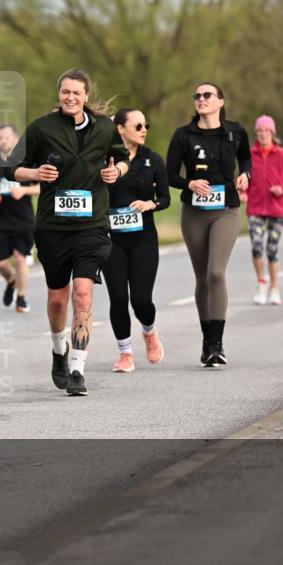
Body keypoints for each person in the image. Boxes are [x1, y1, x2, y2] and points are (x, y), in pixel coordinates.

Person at [9, 68, 129, 396]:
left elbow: (123, 157)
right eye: (65, 92)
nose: (70, 97)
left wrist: (116, 170)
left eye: (76, 92)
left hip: (92, 225)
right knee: (58, 299)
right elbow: (9, 168)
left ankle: (77, 367)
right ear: (59, 94)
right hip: (53, 227)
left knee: (83, 293)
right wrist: (35, 172)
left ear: (86, 96)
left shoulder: (105, 129)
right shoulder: (41, 128)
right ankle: (58, 348)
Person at [166, 82, 252, 367]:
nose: (201, 99)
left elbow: (246, 158)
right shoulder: (183, 135)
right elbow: (169, 175)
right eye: (197, 96)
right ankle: (207, 343)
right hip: (194, 212)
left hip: (225, 210)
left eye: (207, 95)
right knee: (202, 277)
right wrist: (188, 182)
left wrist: (246, 176)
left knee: (216, 272)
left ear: (221, 102)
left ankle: (218, 343)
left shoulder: (235, 132)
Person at [102, 108, 169, 372]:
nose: (144, 130)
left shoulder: (153, 159)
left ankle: (150, 332)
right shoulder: (105, 159)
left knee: (141, 300)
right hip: (112, 239)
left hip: (143, 238)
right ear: (120, 129)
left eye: (146, 125)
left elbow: (165, 198)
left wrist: (150, 204)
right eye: (138, 125)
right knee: (118, 297)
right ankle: (125, 353)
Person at [0, 124, 38, 313]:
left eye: (7, 137)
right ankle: (11, 281)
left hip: (22, 219)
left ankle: (22, 298)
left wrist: (24, 189)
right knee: (0, 263)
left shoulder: (25, 161)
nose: (3, 141)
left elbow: (42, 187)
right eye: (0, 138)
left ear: (16, 139)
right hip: (0, 220)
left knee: (20, 259)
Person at [245, 115, 283, 306]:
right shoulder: (249, 154)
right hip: (255, 207)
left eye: (266, 130)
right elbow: (245, 177)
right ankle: (261, 283)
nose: (263, 134)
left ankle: (274, 288)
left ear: (272, 133)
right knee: (257, 247)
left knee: (272, 249)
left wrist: (282, 188)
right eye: (259, 131)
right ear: (256, 133)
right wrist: (243, 193)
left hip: (277, 208)